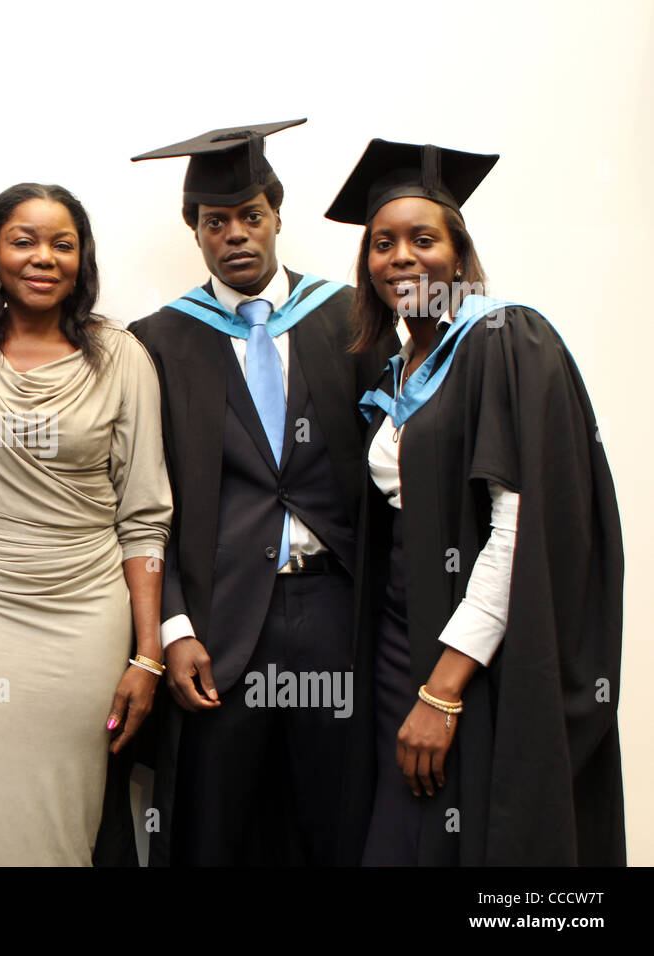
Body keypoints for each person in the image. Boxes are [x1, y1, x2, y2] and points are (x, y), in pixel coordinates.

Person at [326, 139, 624, 865]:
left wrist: (444, 689)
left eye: (422, 240)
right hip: (402, 643)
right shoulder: (402, 368)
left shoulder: (505, 340)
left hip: (474, 657)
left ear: (458, 254)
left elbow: (516, 534)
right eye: (382, 243)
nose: (401, 257)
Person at [129, 121, 397, 865]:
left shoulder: (350, 318)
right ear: (196, 232)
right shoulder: (158, 340)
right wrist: (173, 628)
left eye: (251, 216)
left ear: (277, 214)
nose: (236, 235)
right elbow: (147, 503)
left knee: (336, 813)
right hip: (218, 621)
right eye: (217, 222)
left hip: (336, 607)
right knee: (219, 824)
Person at [0, 183, 172, 866]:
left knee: (67, 820)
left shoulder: (121, 358)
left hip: (84, 620)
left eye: (63, 243)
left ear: (81, 258)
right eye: (23, 239)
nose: (43, 257)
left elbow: (145, 517)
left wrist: (147, 653)